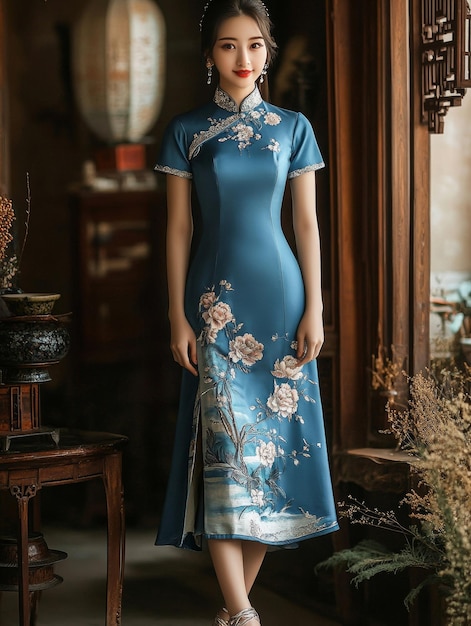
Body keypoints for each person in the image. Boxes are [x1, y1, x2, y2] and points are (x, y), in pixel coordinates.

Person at [154, 1, 339, 624]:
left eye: (255, 45)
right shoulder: (186, 130)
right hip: (215, 309)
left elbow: (307, 224)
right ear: (209, 54)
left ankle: (236, 613)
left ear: (269, 51)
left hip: (282, 305)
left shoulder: (294, 128)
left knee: (269, 458)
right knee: (225, 456)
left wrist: (315, 306)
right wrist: (178, 316)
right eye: (229, 46)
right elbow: (178, 229)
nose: (244, 59)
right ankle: (242, 613)